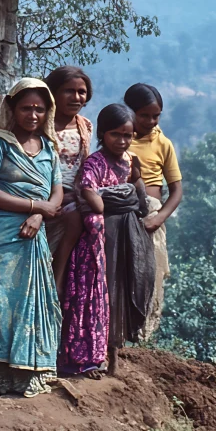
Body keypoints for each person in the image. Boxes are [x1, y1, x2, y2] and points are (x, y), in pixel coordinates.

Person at [0, 78, 64, 397]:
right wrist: (33, 205)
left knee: (31, 302)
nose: (33, 115)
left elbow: (57, 192)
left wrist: (38, 214)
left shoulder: (49, 148)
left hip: (33, 234)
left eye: (40, 109)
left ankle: (24, 371)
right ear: (13, 109)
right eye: (26, 108)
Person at [61, 103, 154, 377]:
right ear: (103, 133)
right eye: (116, 134)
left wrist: (129, 184)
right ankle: (85, 359)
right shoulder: (95, 163)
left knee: (117, 295)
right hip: (97, 244)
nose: (122, 141)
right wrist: (116, 196)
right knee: (93, 297)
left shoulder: (129, 163)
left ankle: (110, 355)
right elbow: (93, 200)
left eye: (128, 135)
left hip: (123, 239)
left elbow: (139, 196)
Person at [123, 83, 183, 339]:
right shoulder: (120, 136)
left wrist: (158, 218)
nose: (149, 120)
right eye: (144, 115)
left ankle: (141, 332)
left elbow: (176, 190)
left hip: (151, 217)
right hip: (121, 213)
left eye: (155, 115)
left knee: (149, 274)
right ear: (131, 112)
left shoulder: (163, 143)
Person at [44, 66, 94, 296]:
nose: (76, 97)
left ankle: (60, 274)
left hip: (74, 195)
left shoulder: (85, 126)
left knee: (77, 217)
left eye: (81, 92)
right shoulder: (41, 122)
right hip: (44, 191)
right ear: (53, 92)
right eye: (68, 91)